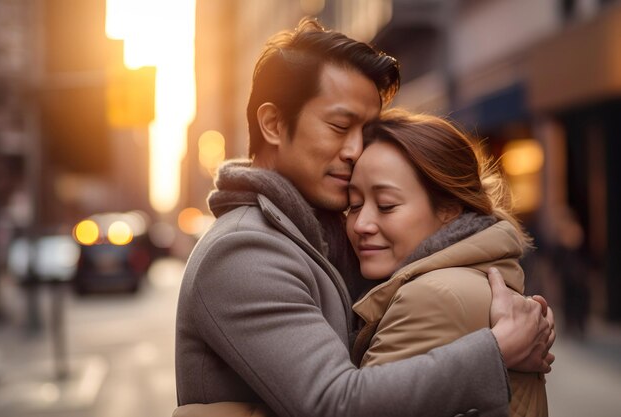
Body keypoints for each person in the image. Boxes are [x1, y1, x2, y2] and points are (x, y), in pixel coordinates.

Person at [174, 17, 555, 417]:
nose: (357, 149)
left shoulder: (325, 236)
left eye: (367, 130)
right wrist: (497, 350)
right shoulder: (244, 250)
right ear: (272, 124)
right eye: (340, 126)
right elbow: (335, 402)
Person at [347, 109, 548, 416]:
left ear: (449, 210)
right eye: (354, 205)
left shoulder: (431, 296)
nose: (362, 223)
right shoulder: (469, 280)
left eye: (386, 205)